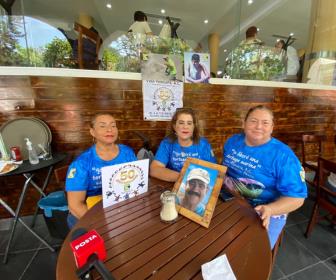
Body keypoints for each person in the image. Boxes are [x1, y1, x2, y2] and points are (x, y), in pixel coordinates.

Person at [221, 105, 307, 249]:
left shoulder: (284, 157)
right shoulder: (232, 141)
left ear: (272, 127)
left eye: (265, 122)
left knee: (254, 252)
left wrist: (271, 209)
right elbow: (224, 170)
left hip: (266, 210)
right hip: (231, 200)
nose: (258, 126)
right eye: (253, 121)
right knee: (218, 241)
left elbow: (297, 198)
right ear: (244, 123)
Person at [65, 113, 137, 228]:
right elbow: (75, 205)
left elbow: (135, 184)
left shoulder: (127, 152)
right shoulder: (81, 163)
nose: (109, 130)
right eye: (102, 126)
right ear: (92, 132)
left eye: (113, 126)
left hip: (121, 207)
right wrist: (101, 224)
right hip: (91, 212)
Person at [150, 107, 216, 182]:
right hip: (173, 185)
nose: (185, 127)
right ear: (174, 126)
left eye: (189, 123)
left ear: (194, 127)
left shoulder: (204, 144)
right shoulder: (167, 143)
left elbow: (213, 171)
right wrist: (183, 178)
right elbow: (154, 169)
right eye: (181, 123)